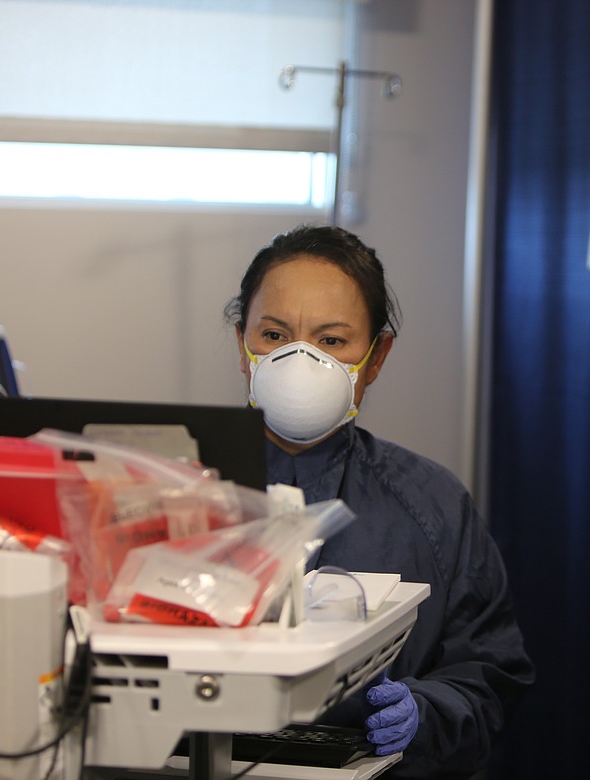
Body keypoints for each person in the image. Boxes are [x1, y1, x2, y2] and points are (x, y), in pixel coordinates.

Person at [225, 224, 534, 779]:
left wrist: (427, 714)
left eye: (331, 340)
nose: (300, 361)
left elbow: (491, 674)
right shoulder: (179, 497)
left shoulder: (432, 505)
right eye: (274, 335)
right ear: (241, 345)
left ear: (376, 357)